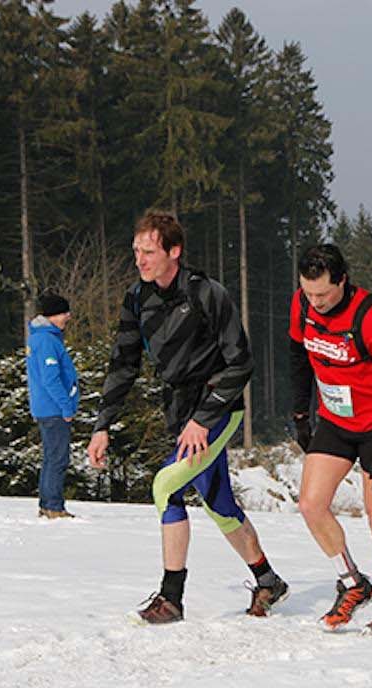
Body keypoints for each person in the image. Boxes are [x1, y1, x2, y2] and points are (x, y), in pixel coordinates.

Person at [88, 211, 286, 624]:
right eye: (136, 251)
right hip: (180, 412)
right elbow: (123, 365)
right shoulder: (137, 298)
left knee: (165, 486)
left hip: (218, 409)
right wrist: (102, 423)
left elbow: (241, 363)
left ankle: (171, 598)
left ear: (173, 252)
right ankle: (267, 579)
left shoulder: (207, 293)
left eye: (148, 251)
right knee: (218, 504)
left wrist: (204, 417)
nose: (140, 260)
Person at [288, 244, 372, 633]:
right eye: (309, 293)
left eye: (323, 294)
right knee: (311, 504)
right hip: (336, 421)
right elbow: (297, 355)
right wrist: (300, 413)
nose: (316, 302)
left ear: (342, 281)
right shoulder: (302, 305)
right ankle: (353, 583)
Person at [27, 291, 78, 520]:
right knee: (58, 457)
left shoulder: (41, 337)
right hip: (53, 409)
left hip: (46, 407)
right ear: (54, 314)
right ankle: (53, 506)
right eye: (64, 312)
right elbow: (51, 378)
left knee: (51, 457)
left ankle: (47, 504)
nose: (68, 316)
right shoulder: (47, 340)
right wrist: (66, 406)